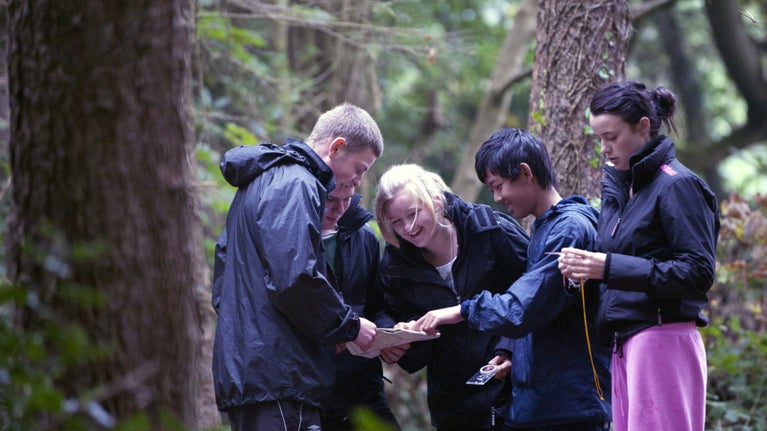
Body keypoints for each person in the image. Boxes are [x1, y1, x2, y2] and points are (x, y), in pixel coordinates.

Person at [413, 128, 612, 431]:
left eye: (499, 185)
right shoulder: (545, 229)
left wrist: (459, 311)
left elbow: (522, 308)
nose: (497, 197)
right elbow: (545, 312)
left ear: (525, 172)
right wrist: (511, 354)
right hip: (541, 405)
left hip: (569, 409)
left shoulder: (569, 230)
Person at [558, 81, 720, 431]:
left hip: (662, 336)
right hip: (625, 340)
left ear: (643, 126)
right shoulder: (623, 190)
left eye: (612, 137)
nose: (604, 148)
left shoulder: (678, 185)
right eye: (599, 139)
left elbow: (698, 271)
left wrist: (609, 267)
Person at [211, 103, 384, 431]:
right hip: (280, 379)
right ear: (336, 148)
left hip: (255, 375)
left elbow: (222, 282)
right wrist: (348, 327)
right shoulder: (298, 183)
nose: (359, 181)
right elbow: (294, 277)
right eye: (360, 169)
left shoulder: (262, 180)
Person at [374, 163, 530, 431]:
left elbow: (535, 295)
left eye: (413, 214)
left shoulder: (490, 230)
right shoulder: (395, 265)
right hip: (453, 406)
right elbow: (409, 349)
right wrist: (400, 338)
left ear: (435, 201)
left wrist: (511, 349)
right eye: (396, 222)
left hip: (518, 393)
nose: (408, 228)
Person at [319, 186, 400, 430]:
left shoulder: (364, 237)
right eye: (331, 200)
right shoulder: (294, 238)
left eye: (346, 200)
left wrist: (388, 335)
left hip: (364, 385)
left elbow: (379, 304)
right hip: (311, 390)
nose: (339, 208)